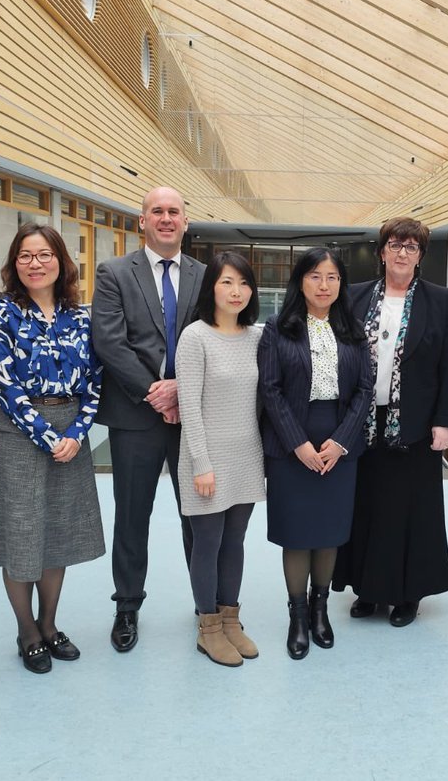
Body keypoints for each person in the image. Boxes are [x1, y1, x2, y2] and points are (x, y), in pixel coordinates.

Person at [0, 224, 104, 673]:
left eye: (45, 254)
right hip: (20, 435)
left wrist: (77, 432)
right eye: (26, 256)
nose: (35, 263)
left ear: (61, 262)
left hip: (71, 436)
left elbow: (95, 381)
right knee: (22, 533)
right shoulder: (1, 315)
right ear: (15, 264)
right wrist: (49, 437)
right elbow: (4, 385)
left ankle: (49, 624)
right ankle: (27, 631)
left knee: (57, 533)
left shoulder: (80, 317)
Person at [332, 217, 448, 627]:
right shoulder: (354, 296)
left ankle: (409, 594)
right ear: (382, 252)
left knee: (411, 511)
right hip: (362, 422)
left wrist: (444, 421)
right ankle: (367, 590)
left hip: (416, 425)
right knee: (366, 506)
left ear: (420, 255)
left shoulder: (439, 300)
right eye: (395, 244)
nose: (402, 253)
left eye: (411, 246)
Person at [91, 186, 205, 653]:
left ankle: (207, 605)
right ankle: (127, 606)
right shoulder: (114, 272)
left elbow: (214, 335)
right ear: (142, 221)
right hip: (135, 414)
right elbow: (109, 341)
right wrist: (156, 393)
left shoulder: (204, 275)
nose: (166, 218)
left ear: (185, 222)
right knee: (132, 516)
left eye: (174, 211)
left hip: (193, 416)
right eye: (157, 211)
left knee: (198, 515)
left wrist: (181, 389)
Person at [258, 248, 373, 659]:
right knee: (297, 532)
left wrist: (341, 441)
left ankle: (320, 610)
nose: (324, 285)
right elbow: (270, 389)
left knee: (328, 532)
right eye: (315, 276)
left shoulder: (353, 330)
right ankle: (298, 615)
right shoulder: (278, 328)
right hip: (292, 443)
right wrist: (298, 443)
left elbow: (364, 390)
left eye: (332, 277)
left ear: (341, 284)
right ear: (300, 281)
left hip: (339, 442)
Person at [175, 252, 265, 667]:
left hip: (246, 456)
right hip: (207, 458)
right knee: (207, 543)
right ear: (211, 286)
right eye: (227, 282)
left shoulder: (256, 337)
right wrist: (201, 464)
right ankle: (208, 628)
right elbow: (189, 406)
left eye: (244, 283)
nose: (236, 291)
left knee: (234, 542)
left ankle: (230, 620)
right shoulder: (195, 337)